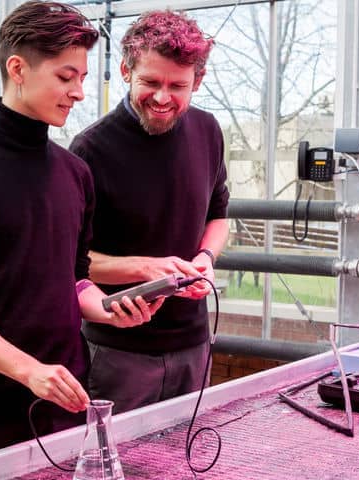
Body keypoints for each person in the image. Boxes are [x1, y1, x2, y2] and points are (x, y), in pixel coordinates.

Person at [0, 0, 161, 461]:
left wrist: (108, 310)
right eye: (66, 77)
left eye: (83, 78)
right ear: (18, 69)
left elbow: (73, 277)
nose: (79, 92)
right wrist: (29, 371)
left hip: (67, 394)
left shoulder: (74, 173)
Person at [69, 10, 230, 414]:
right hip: (117, 351)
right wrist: (144, 270)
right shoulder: (90, 150)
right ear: (126, 71)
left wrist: (205, 260)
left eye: (177, 86)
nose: (162, 98)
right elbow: (70, 263)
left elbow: (218, 214)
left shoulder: (208, 131)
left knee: (183, 463)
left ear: (199, 80)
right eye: (150, 82)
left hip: (193, 343)